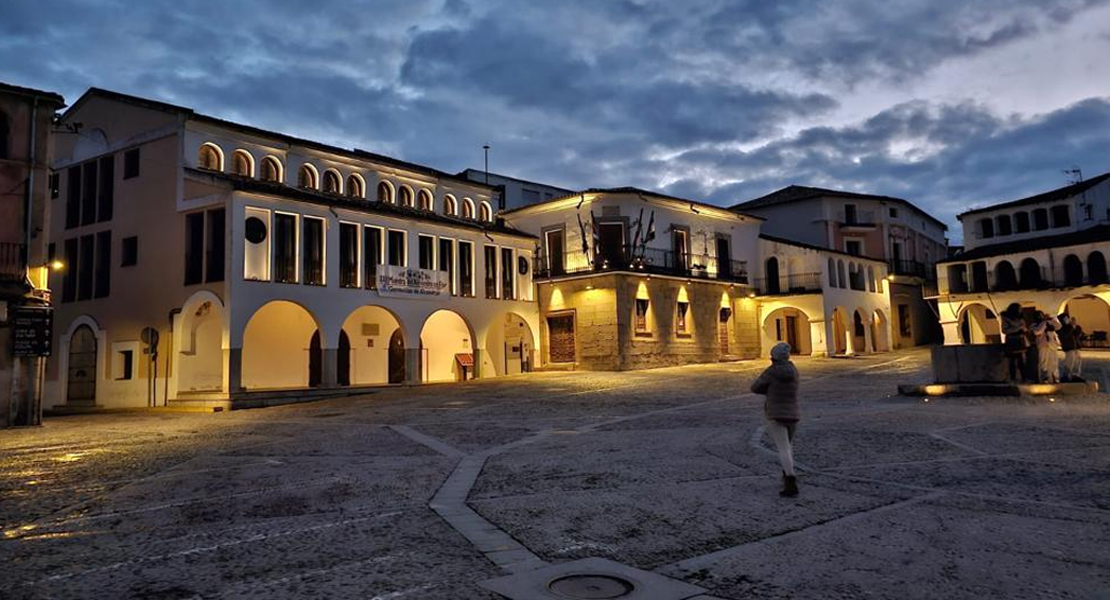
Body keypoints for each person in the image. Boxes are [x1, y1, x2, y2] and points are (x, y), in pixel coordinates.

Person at [751, 342, 800, 497]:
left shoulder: (772, 372)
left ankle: (790, 480)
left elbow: (755, 387)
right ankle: (787, 473)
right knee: (788, 446)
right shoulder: (793, 370)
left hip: (776, 413)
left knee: (783, 448)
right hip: (793, 413)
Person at [1031, 311, 1061, 383]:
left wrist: (1052, 319)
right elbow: (1038, 331)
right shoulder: (1034, 325)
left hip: (1052, 344)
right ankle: (1044, 378)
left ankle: (1055, 377)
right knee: (1043, 362)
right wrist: (1044, 323)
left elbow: (1058, 326)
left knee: (1054, 362)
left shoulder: (1049, 322)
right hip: (1042, 345)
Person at [1001, 303, 1029, 382]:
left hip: (1020, 341)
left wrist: (1024, 330)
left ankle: (1024, 377)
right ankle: (1013, 378)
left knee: (1022, 361)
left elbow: (1024, 328)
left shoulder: (1021, 319)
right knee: (1012, 361)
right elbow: (1004, 330)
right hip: (1012, 341)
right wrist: (1017, 328)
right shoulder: (1006, 319)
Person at [1058, 314, 1084, 382]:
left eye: (1067, 318)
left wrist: (1076, 327)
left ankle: (1075, 375)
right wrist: (1071, 327)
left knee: (1077, 361)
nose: (1067, 320)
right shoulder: (1062, 328)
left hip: (1076, 347)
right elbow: (1065, 335)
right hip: (1069, 347)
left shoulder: (1073, 327)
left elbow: (1078, 334)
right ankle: (1066, 376)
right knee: (1070, 362)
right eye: (1064, 319)